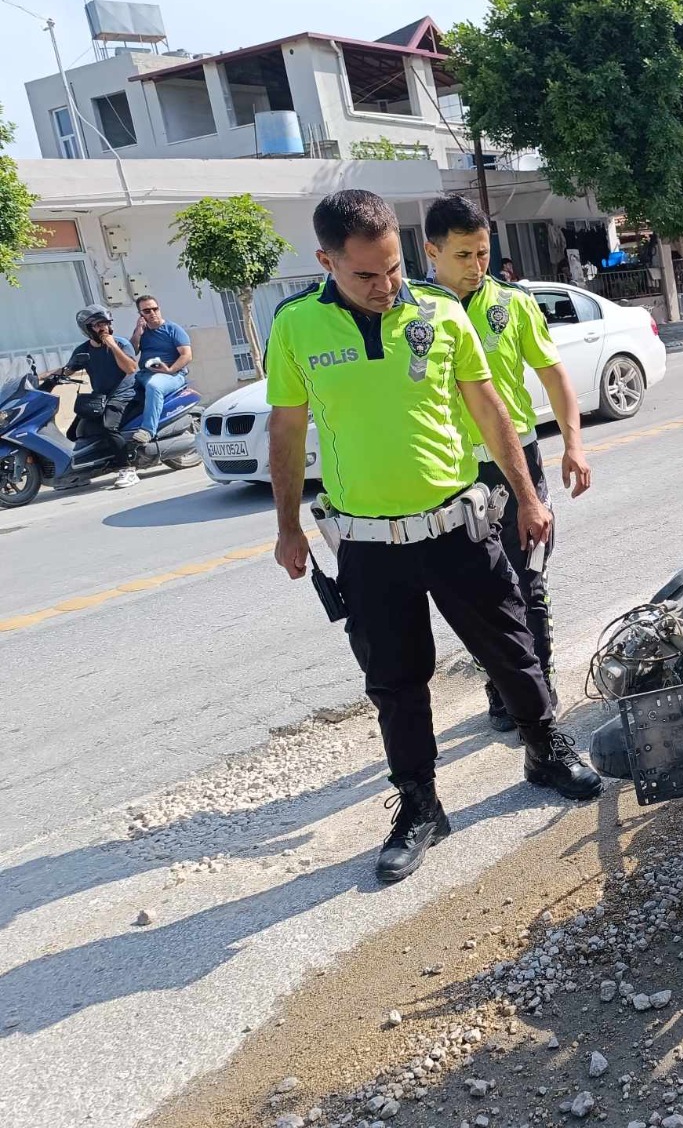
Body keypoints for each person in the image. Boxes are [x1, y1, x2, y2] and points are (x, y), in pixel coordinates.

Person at [266, 189, 601, 885]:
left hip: (457, 524)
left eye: (391, 268)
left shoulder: (441, 312)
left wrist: (530, 496)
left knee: (510, 646)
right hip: (366, 543)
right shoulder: (296, 328)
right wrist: (288, 526)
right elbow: (288, 432)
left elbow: (490, 413)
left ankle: (543, 747)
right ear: (325, 261)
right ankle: (419, 804)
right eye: (365, 275)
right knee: (395, 681)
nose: (385, 286)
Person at [423, 194, 593, 727]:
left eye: (482, 253)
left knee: (529, 580)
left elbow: (554, 374)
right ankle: (502, 686)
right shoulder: (413, 314)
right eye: (463, 256)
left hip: (515, 462)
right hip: (453, 472)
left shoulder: (512, 304)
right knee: (480, 594)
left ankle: (538, 696)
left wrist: (573, 445)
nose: (477, 267)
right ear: (432, 252)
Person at [47, 305, 141, 489]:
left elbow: (130, 369)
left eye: (106, 323)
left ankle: (127, 469)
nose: (103, 328)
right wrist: (43, 379)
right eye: (98, 325)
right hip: (100, 397)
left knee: (108, 426)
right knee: (73, 433)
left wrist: (112, 345)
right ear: (87, 328)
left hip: (123, 395)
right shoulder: (84, 350)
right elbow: (68, 369)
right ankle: (81, 474)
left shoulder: (121, 344)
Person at [126, 294, 192, 444]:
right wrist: (138, 332)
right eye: (147, 311)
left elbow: (186, 355)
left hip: (172, 374)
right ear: (141, 314)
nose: (152, 313)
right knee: (119, 388)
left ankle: (148, 431)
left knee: (154, 386)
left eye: (155, 309)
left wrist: (170, 369)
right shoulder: (142, 332)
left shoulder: (173, 329)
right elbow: (132, 352)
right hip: (145, 373)